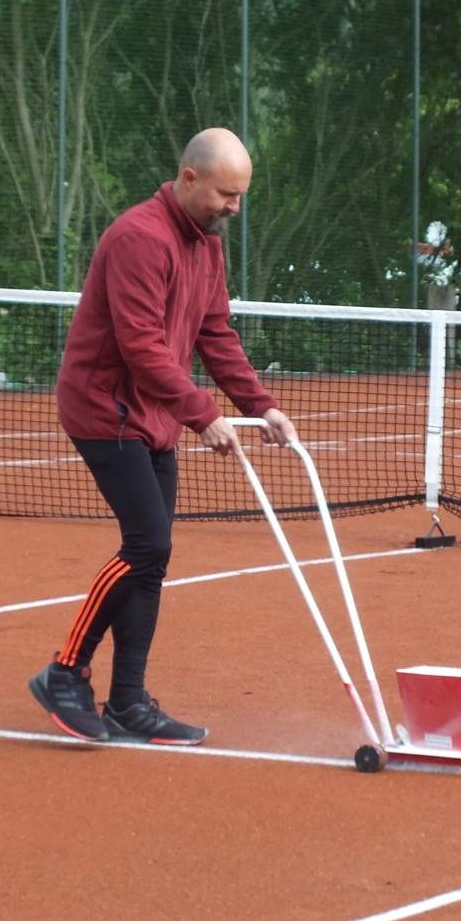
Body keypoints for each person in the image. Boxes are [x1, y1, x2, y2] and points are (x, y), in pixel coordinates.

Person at [28, 128, 296, 746]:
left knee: (154, 556)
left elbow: (216, 333)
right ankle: (65, 671)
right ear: (190, 177)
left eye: (241, 196)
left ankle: (127, 703)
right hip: (104, 408)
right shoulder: (137, 238)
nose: (234, 207)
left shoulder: (206, 245)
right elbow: (140, 343)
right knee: (146, 545)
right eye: (227, 194)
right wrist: (203, 412)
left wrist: (263, 406)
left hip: (154, 415)